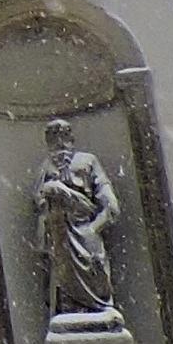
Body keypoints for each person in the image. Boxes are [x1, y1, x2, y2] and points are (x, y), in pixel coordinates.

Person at [30, 119, 128, 322]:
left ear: (71, 137)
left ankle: (97, 309)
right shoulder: (45, 167)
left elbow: (109, 203)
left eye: (63, 134)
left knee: (95, 270)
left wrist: (93, 228)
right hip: (58, 234)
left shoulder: (88, 161)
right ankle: (69, 312)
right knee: (61, 279)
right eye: (53, 136)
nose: (59, 141)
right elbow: (39, 199)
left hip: (84, 229)